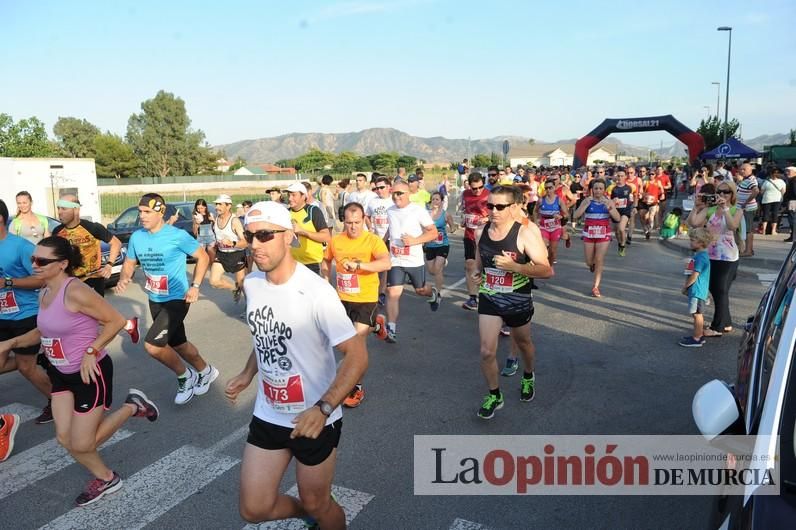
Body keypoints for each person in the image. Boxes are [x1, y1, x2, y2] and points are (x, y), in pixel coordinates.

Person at [224, 201, 367, 529]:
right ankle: (311, 514)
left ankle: (320, 513)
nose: (255, 244)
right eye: (249, 236)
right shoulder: (253, 284)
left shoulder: (316, 292)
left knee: (319, 502)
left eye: (264, 235)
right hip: (269, 412)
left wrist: (324, 408)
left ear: (288, 236)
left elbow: (357, 355)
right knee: (254, 508)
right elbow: (267, 335)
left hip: (314, 419)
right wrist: (248, 373)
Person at [0, 236, 159, 504]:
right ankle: (108, 478)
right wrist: (12, 342)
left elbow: (116, 320)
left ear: (62, 264)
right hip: (61, 375)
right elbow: (43, 330)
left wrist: (91, 351)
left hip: (90, 374)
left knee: (83, 444)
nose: (34, 265)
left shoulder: (75, 291)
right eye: (32, 260)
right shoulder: (45, 291)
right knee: (65, 439)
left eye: (41, 261)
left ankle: (133, 406)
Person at [115, 193, 218, 405]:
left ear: (160, 212)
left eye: (147, 212)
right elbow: (129, 262)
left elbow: (203, 257)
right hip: (155, 298)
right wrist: (125, 278)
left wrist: (196, 286)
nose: (141, 216)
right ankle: (205, 371)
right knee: (178, 344)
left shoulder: (177, 235)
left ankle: (185, 377)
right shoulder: (137, 237)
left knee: (153, 346)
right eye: (140, 212)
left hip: (177, 298)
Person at [473, 186, 553, 419]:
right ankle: (494, 395)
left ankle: (528, 374)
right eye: (490, 206)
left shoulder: (525, 234)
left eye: (500, 206)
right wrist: (478, 273)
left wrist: (516, 267)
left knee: (524, 342)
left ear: (513, 208)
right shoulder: (481, 231)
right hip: (490, 295)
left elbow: (547, 270)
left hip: (517, 298)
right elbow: (481, 262)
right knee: (487, 351)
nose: (493, 211)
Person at [324, 202, 391, 408]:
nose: (353, 227)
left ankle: (356, 388)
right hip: (343, 299)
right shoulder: (336, 241)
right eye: (349, 222)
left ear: (364, 220)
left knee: (355, 346)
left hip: (366, 298)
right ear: (343, 221)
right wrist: (326, 283)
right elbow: (326, 261)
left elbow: (386, 263)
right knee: (343, 343)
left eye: (357, 222)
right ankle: (377, 325)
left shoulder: (373, 240)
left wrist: (361, 266)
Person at [53, 194, 139, 348]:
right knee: (80, 316)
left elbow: (116, 243)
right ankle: (126, 325)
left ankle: (92, 351)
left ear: (76, 210)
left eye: (64, 208)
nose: (59, 212)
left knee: (88, 317)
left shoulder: (92, 227)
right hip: (68, 283)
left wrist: (109, 265)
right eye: (59, 208)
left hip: (92, 279)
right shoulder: (57, 231)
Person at [0, 199, 51, 426]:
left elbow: (42, 279)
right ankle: (39, 355)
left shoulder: (21, 247)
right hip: (1, 317)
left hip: (25, 315)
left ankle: (56, 401)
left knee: (25, 367)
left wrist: (8, 283)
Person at [384, 182, 440, 343]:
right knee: (393, 293)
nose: (397, 196)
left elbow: (433, 233)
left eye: (400, 193)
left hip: (414, 261)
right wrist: (382, 243)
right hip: (395, 260)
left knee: (421, 290)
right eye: (394, 193)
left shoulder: (418, 210)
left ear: (408, 193)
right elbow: (391, 229)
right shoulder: (390, 210)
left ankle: (433, 293)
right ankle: (391, 329)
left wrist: (414, 241)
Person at [686, 182, 742, 337]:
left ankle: (717, 327)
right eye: (720, 191)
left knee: (721, 290)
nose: (722, 194)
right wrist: (696, 207)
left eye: (726, 192)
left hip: (727, 257)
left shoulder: (736, 210)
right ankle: (727, 323)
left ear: (732, 194)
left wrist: (724, 209)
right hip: (710, 255)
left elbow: (732, 226)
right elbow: (694, 223)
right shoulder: (709, 210)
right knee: (716, 290)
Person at [573, 179, 621, 298]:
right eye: (596, 188)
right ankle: (591, 264)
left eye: (600, 188)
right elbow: (575, 216)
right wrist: (585, 205)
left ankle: (595, 286)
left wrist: (609, 207)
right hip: (589, 233)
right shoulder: (587, 200)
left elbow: (618, 218)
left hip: (603, 234)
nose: (598, 191)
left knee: (599, 259)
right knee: (589, 261)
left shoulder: (608, 201)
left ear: (604, 190)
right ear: (592, 190)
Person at [286, 183, 331, 276]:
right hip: (291, 263)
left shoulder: (313, 211)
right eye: (288, 195)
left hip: (311, 264)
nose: (290, 198)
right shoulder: (285, 213)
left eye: (294, 195)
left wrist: (302, 231)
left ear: (303, 196)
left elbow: (326, 237)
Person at [209, 194, 248, 302]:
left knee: (242, 284)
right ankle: (234, 288)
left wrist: (232, 243)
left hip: (237, 255)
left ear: (228, 206)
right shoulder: (216, 219)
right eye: (216, 204)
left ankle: (248, 307)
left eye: (220, 204)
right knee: (214, 281)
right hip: (222, 254)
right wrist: (216, 244)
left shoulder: (234, 221)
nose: (217, 207)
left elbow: (245, 242)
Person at [460, 172, 490, 311]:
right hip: (470, 235)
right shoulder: (465, 194)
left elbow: (499, 213)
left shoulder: (490, 194)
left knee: (485, 267)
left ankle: (487, 296)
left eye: (480, 187)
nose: (478, 191)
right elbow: (464, 209)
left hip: (486, 236)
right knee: (469, 264)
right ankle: (473, 298)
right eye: (474, 188)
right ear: (469, 186)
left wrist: (487, 219)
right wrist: (464, 219)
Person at [679, 228, 712, 347]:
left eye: (693, 240)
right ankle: (698, 335)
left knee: (697, 314)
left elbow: (694, 275)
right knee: (696, 313)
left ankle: (697, 338)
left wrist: (685, 287)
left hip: (697, 290)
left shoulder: (701, 257)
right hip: (698, 290)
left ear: (701, 242)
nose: (690, 242)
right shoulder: (700, 255)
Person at [365, 175, 393, 304]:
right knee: (375, 266)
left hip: (389, 238)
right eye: (377, 188)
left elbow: (394, 223)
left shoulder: (393, 201)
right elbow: (367, 216)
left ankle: (381, 293)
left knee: (385, 266)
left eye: (382, 187)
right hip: (375, 238)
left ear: (389, 187)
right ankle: (373, 290)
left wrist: (385, 238)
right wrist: (371, 227)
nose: (379, 190)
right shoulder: (373, 201)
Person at [424, 191, 456, 301]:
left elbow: (452, 227)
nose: (435, 201)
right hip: (430, 245)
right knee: (431, 271)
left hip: (443, 244)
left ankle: (437, 293)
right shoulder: (426, 214)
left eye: (437, 199)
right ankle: (443, 262)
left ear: (441, 201)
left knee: (437, 269)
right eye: (433, 199)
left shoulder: (446, 214)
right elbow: (422, 228)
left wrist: (450, 229)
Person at [534, 177, 567, 265]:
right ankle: (544, 264)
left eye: (550, 188)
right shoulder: (541, 200)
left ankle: (550, 265)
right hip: (544, 227)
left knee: (552, 251)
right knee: (543, 247)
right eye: (546, 188)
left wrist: (560, 216)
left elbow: (566, 214)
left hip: (555, 227)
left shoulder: (559, 200)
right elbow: (535, 211)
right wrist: (536, 221)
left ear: (554, 188)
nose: (548, 190)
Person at [606, 170, 636, 256]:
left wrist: (634, 206)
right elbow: (607, 200)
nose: (620, 178)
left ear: (625, 177)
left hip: (625, 211)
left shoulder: (630, 187)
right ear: (616, 177)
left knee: (621, 228)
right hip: (615, 211)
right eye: (618, 176)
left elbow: (635, 195)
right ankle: (620, 243)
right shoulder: (611, 187)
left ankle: (623, 245)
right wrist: (612, 201)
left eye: (622, 176)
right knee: (616, 231)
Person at [736, 163, 759, 256]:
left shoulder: (750, 180)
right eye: (741, 169)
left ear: (749, 170)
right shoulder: (746, 180)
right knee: (746, 229)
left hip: (747, 209)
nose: (741, 171)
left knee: (748, 230)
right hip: (745, 208)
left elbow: (756, 190)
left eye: (743, 169)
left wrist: (746, 202)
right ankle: (748, 249)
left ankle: (748, 250)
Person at [759, 167, 785, 236]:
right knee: (774, 214)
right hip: (776, 199)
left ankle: (764, 230)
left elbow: (761, 191)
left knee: (766, 214)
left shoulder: (766, 182)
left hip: (767, 199)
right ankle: (773, 230)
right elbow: (783, 191)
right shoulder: (781, 182)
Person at [192, 199, 217, 271]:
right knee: (200, 258)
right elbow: (194, 232)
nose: (200, 210)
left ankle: (213, 273)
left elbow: (216, 228)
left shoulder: (210, 214)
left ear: (205, 207)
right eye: (198, 208)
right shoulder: (196, 216)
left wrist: (213, 220)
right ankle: (199, 274)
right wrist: (197, 223)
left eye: (201, 208)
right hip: (201, 239)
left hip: (211, 238)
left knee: (212, 258)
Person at [784, 166, 796, 243]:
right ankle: (792, 236)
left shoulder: (794, 180)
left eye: (789, 171)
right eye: (787, 171)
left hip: (793, 201)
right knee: (792, 219)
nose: (787, 173)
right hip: (791, 201)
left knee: (793, 220)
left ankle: (793, 237)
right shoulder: (791, 180)